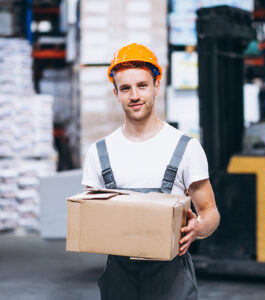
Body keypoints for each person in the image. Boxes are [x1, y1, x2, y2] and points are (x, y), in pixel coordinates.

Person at [81, 43, 220, 300]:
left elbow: (210, 211)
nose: (134, 95)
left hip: (171, 275)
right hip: (119, 276)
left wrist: (199, 228)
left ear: (156, 86)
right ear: (116, 93)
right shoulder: (100, 153)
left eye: (142, 85)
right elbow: (91, 218)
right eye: (126, 88)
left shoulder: (185, 148)